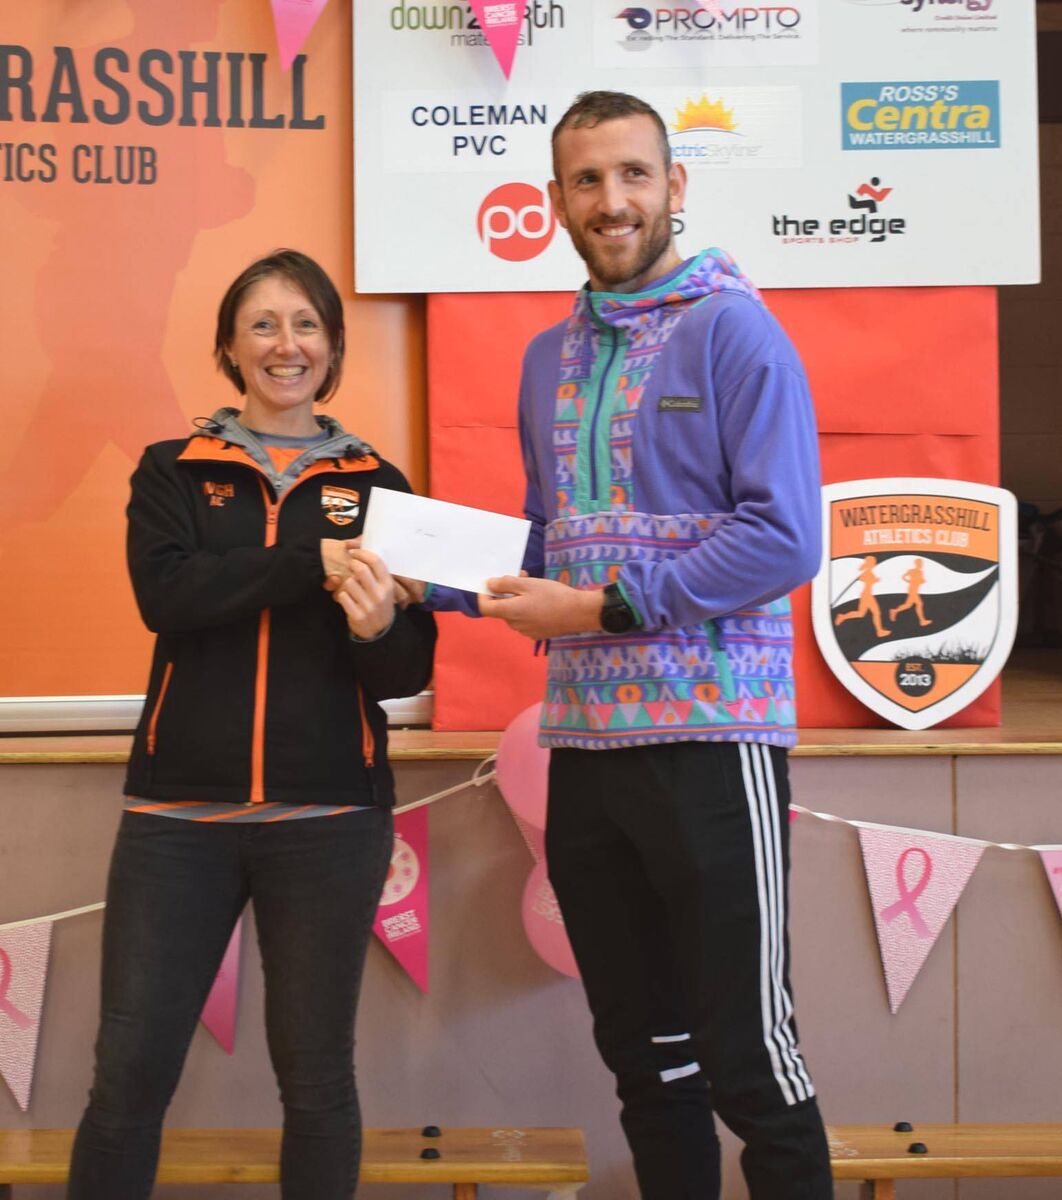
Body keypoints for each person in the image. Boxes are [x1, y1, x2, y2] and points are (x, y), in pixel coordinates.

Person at [422, 92, 833, 1199]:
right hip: (587, 750)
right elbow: (549, 547)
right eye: (588, 181)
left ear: (675, 187)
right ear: (555, 200)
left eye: (634, 175)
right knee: (647, 1062)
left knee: (752, 1059)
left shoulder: (736, 328)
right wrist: (420, 573)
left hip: (712, 741)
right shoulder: (546, 356)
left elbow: (787, 534)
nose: (613, 202)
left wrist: (602, 610)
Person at [67, 249, 436, 1200]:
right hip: (175, 824)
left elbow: (405, 672)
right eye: (264, 324)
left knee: (317, 1084)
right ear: (230, 346)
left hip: (330, 824)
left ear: (333, 345)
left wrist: (380, 623)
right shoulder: (172, 471)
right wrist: (311, 564)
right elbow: (169, 594)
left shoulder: (381, 482)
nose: (287, 344)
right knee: (127, 1082)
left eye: (306, 323)